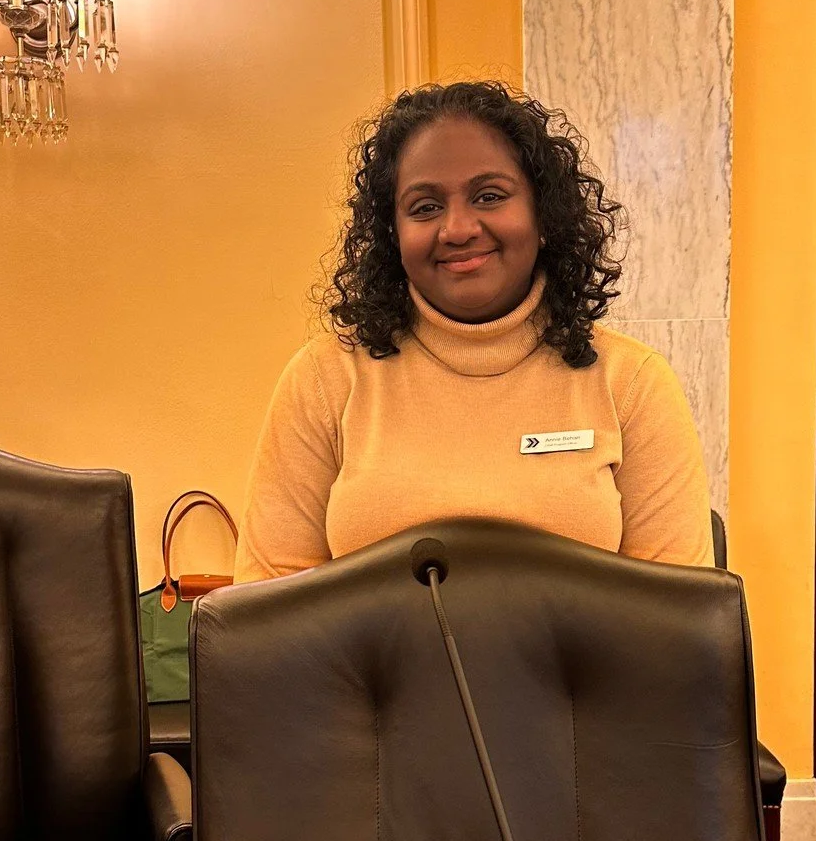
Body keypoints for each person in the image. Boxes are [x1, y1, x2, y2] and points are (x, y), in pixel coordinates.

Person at [234, 80, 714, 581]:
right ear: (392, 233)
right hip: (360, 666)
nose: (458, 228)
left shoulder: (633, 385)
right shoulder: (324, 381)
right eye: (424, 207)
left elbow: (674, 626)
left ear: (543, 215)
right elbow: (268, 613)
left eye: (489, 196)